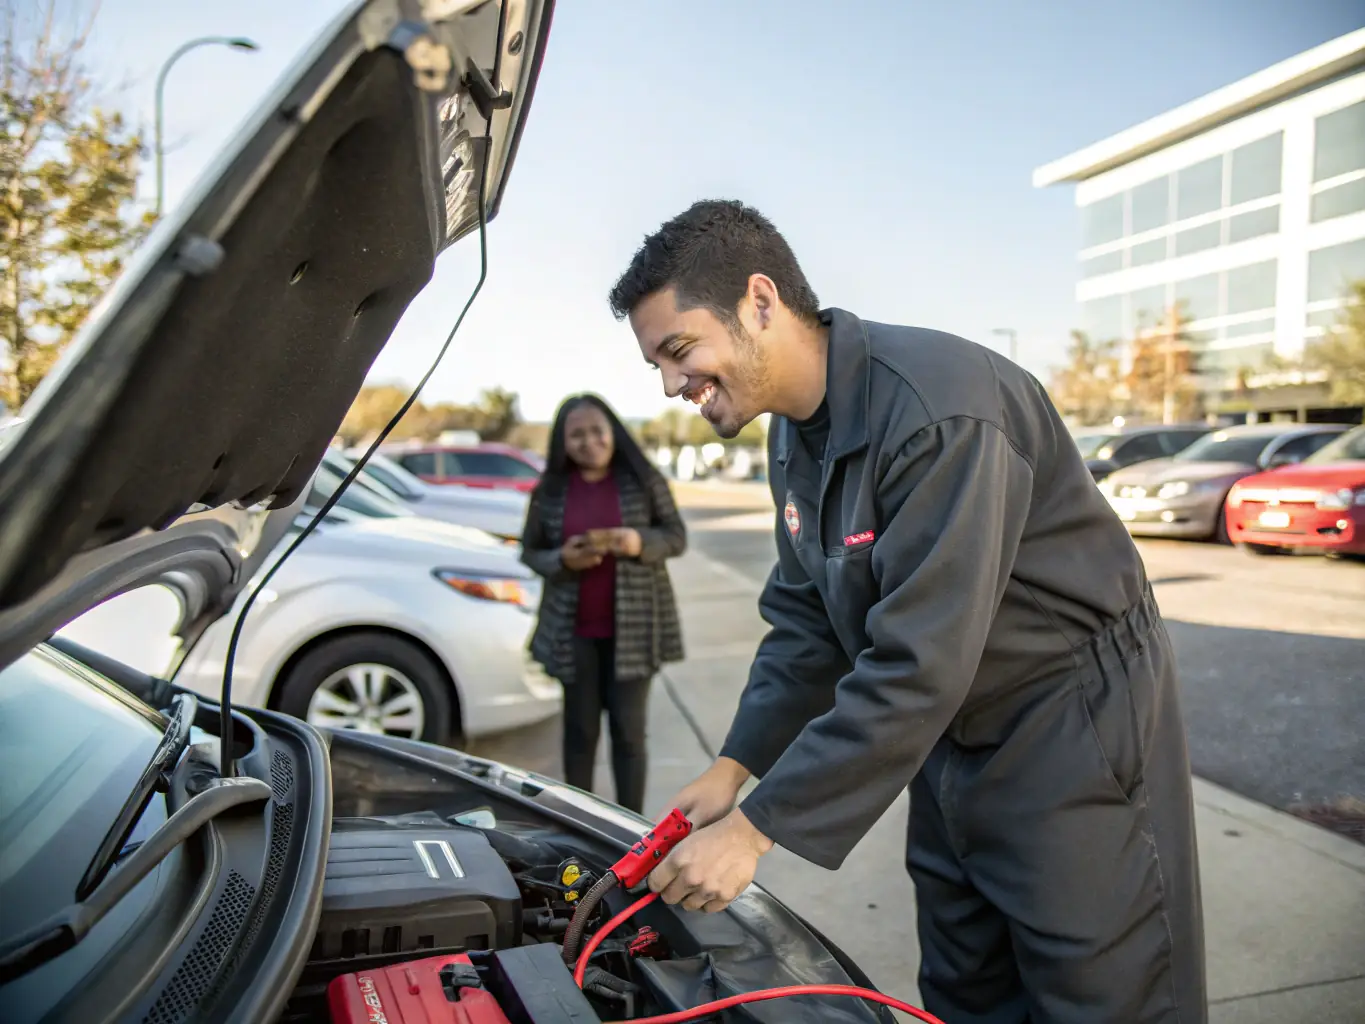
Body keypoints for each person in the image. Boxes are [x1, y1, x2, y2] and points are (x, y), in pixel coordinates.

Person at [606, 200, 1206, 1023]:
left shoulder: (940, 409)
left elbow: (919, 657)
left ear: (758, 301)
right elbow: (806, 623)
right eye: (658, 368)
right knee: (967, 985)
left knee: (1097, 988)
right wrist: (734, 766)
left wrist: (754, 832)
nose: (674, 384)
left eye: (678, 351)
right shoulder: (792, 437)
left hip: (1068, 721)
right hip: (950, 732)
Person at [520, 394, 687, 814]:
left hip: (636, 629)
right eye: (576, 434)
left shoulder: (642, 481)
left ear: (613, 433)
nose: (588, 441)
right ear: (562, 441)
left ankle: (631, 830)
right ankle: (581, 822)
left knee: (629, 736)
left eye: (597, 431)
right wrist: (562, 559)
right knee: (579, 733)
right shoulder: (549, 491)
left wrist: (638, 542)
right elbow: (530, 551)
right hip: (573, 632)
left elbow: (676, 536)